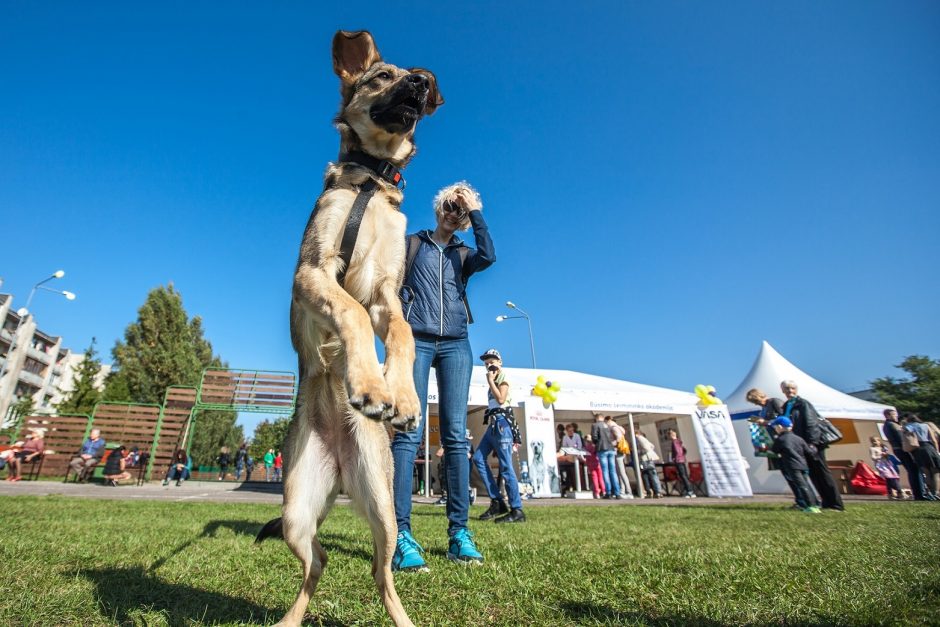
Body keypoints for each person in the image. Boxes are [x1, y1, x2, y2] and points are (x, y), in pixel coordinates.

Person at [391, 182, 494, 570]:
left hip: (456, 345)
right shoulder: (410, 244)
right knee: (408, 433)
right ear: (438, 208)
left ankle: (458, 534)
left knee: (455, 437)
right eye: (450, 206)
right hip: (414, 340)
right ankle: (401, 534)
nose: (454, 213)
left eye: (461, 211)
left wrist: (476, 210)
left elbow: (491, 254)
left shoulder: (464, 254)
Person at [472, 349, 525, 523]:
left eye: (492, 361)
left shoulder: (502, 377)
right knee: (478, 458)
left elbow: (501, 399)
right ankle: (497, 501)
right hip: (493, 423)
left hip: (502, 422)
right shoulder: (493, 379)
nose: (489, 365)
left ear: (500, 362)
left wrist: (490, 381)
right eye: (486, 363)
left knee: (506, 466)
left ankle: (517, 509)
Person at [780, 380, 844, 511]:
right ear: (782, 391)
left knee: (822, 472)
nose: (790, 391)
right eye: (787, 389)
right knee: (813, 474)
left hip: (812, 444)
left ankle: (835, 504)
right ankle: (825, 502)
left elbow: (811, 424)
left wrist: (813, 443)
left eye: (792, 388)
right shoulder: (787, 405)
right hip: (800, 445)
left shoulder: (803, 403)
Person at [769, 417, 821, 513]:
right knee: (806, 485)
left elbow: (774, 450)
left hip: (792, 466)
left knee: (801, 486)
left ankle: (810, 506)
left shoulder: (780, 439)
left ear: (780, 427)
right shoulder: (799, 438)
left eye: (775, 427)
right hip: (803, 465)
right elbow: (809, 452)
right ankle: (816, 504)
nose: (775, 429)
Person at [882, 408, 926, 500]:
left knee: (912, 470)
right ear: (888, 415)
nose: (896, 416)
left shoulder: (887, 425)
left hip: (898, 450)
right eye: (894, 414)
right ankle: (920, 493)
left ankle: (918, 493)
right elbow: (902, 439)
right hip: (903, 449)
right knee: (914, 470)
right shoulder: (892, 425)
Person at [903, 413, 940, 500]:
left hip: (917, 450)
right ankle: (936, 493)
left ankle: (930, 493)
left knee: (926, 473)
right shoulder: (925, 426)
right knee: (936, 473)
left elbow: (907, 439)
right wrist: (937, 451)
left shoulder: (908, 427)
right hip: (929, 447)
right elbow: (934, 440)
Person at [590, 414, 621, 499]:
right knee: (613, 471)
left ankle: (608, 492)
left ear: (596, 418)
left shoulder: (595, 425)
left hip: (602, 448)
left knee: (605, 471)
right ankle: (617, 492)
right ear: (603, 418)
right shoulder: (606, 425)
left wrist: (595, 443)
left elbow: (595, 437)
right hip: (611, 448)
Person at [607, 417, 634, 498]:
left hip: (617, 451)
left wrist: (611, 444)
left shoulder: (614, 427)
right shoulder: (619, 428)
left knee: (621, 472)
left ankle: (628, 491)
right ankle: (623, 490)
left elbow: (618, 438)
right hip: (621, 451)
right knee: (620, 472)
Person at [667, 428, 696, 498]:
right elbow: (684, 450)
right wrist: (682, 456)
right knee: (685, 476)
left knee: (683, 476)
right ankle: (689, 490)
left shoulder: (674, 442)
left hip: (678, 460)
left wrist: (674, 458)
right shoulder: (679, 441)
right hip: (682, 460)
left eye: (669, 435)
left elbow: (677, 451)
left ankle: (690, 491)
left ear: (671, 435)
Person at [557, 422, 584, 495]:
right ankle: (568, 486)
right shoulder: (565, 437)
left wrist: (575, 450)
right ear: (567, 431)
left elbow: (579, 445)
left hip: (577, 455)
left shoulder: (577, 436)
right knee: (568, 471)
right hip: (569, 455)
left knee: (576, 472)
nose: (571, 432)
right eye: (569, 431)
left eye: (572, 431)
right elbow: (564, 447)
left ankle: (577, 486)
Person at [635, 430, 663, 498]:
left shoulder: (639, 438)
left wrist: (639, 452)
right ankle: (655, 491)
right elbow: (652, 446)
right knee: (649, 475)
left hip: (645, 459)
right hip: (648, 458)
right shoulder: (644, 439)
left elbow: (646, 448)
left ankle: (653, 491)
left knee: (648, 475)